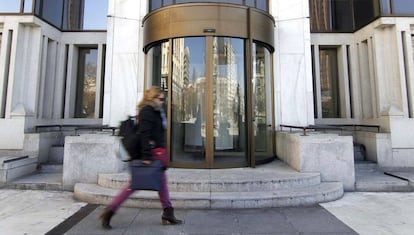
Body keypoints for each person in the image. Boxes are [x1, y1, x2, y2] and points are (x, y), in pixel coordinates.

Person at [99, 86, 182, 229]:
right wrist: (146, 156)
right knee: (134, 186)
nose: (162, 101)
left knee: (161, 184)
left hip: (158, 153)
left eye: (163, 99)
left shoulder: (155, 111)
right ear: (152, 98)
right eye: (160, 98)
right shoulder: (147, 111)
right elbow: (145, 134)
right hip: (153, 153)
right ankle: (110, 211)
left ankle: (168, 212)